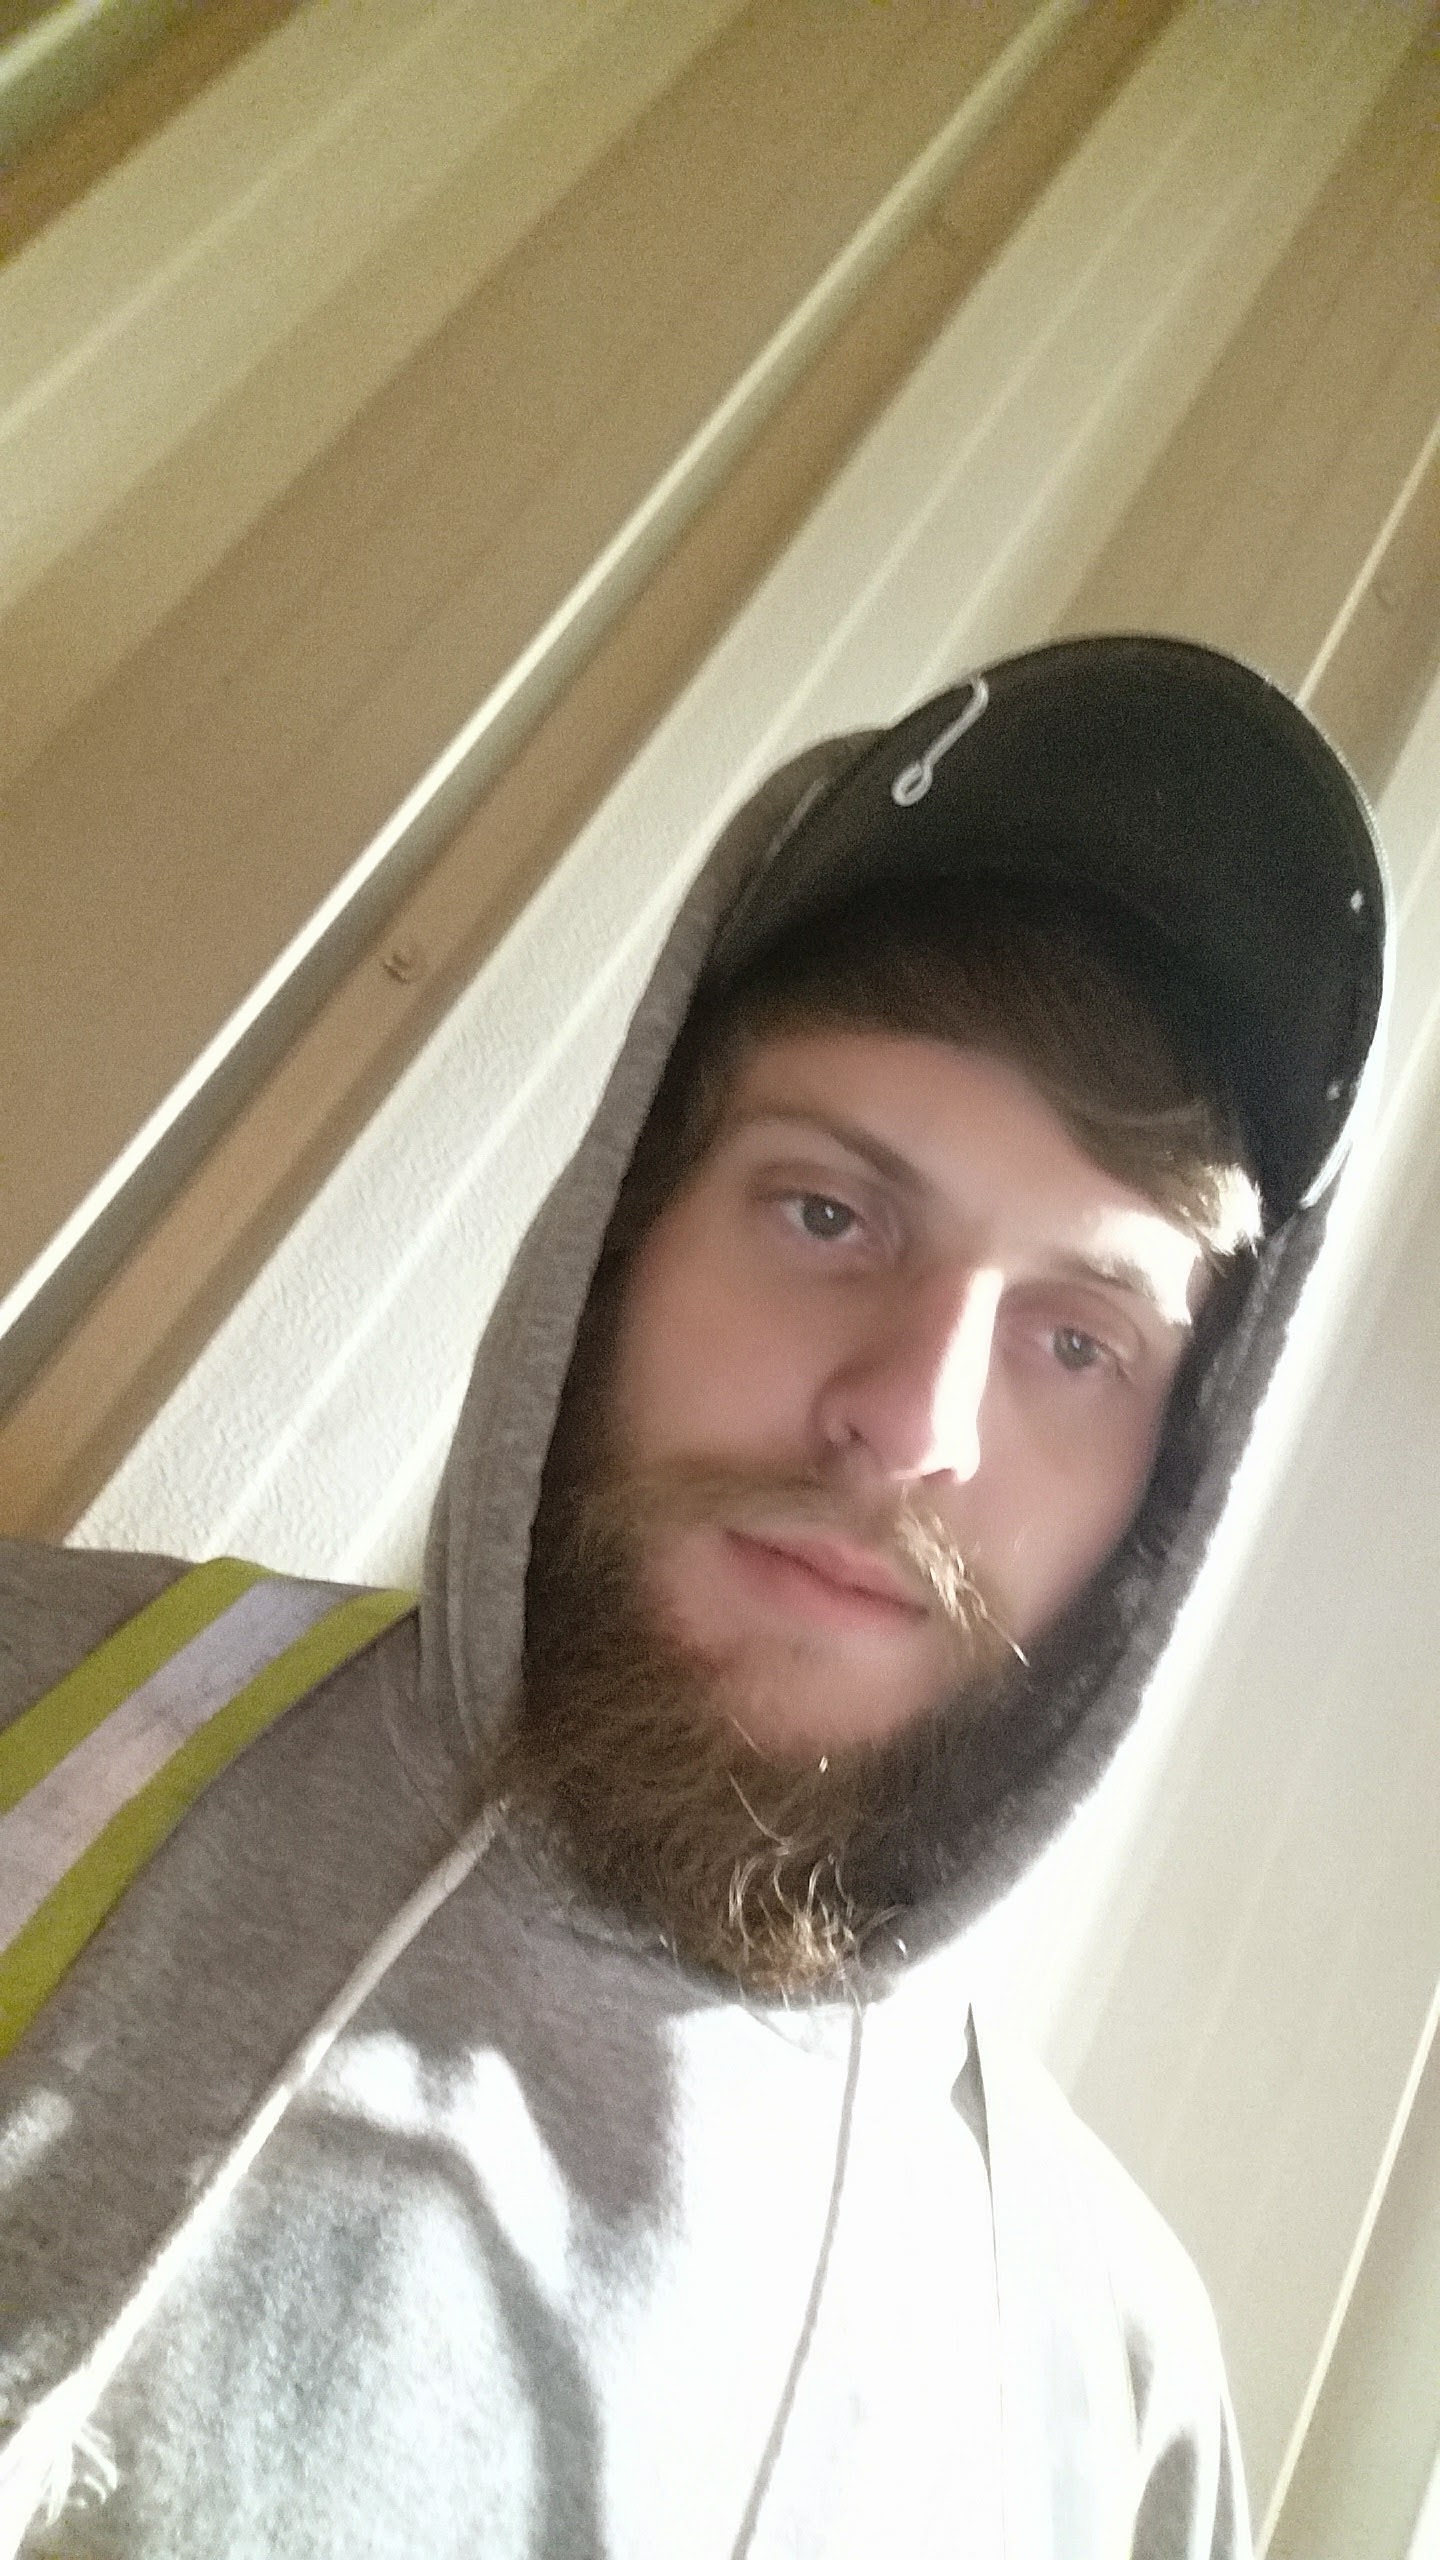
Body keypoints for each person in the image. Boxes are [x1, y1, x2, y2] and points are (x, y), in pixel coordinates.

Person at [0, 636, 1387, 2557]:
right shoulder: (33, 1702)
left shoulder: (1115, 2411)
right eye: (828, 1212)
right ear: (620, 1236)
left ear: (1175, 1484)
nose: (908, 1422)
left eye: (1078, 1340)